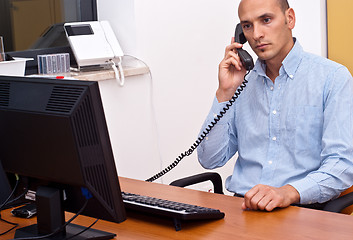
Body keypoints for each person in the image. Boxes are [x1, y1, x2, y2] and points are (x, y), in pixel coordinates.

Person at [197, 0, 353, 212]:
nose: (256, 34)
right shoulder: (241, 84)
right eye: (247, 26)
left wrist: (287, 192)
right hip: (243, 208)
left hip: (302, 210)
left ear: (290, 18)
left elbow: (342, 165)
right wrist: (224, 92)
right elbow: (209, 159)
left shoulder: (332, 78)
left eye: (266, 20)